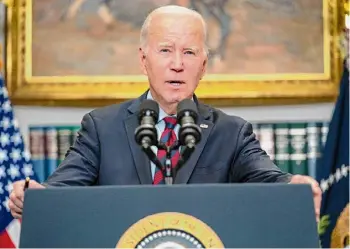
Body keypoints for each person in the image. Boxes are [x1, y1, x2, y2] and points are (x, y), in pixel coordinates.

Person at [9, 5, 321, 221]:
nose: (177, 64)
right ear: (143, 60)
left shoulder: (232, 132)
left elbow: (269, 180)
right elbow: (61, 188)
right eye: (165, 50)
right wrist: (33, 195)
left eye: (188, 52)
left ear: (203, 66)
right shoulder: (102, 128)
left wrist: (295, 186)